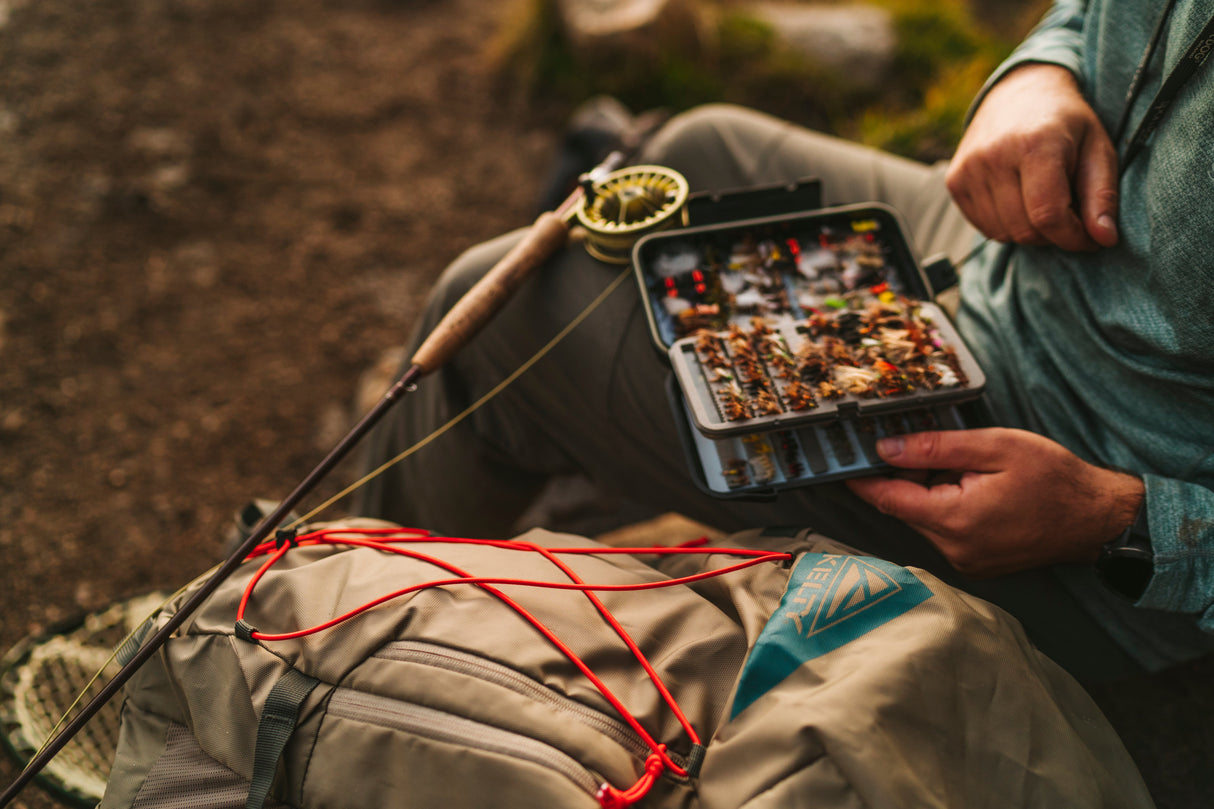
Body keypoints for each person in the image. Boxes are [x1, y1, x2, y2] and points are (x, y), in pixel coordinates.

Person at [357, 0, 1214, 684]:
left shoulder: (1101, 520)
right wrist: (1038, 72)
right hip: (1004, 261)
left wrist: (1120, 523)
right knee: (696, 146)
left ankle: (304, 620)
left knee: (496, 318)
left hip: (1068, 486)